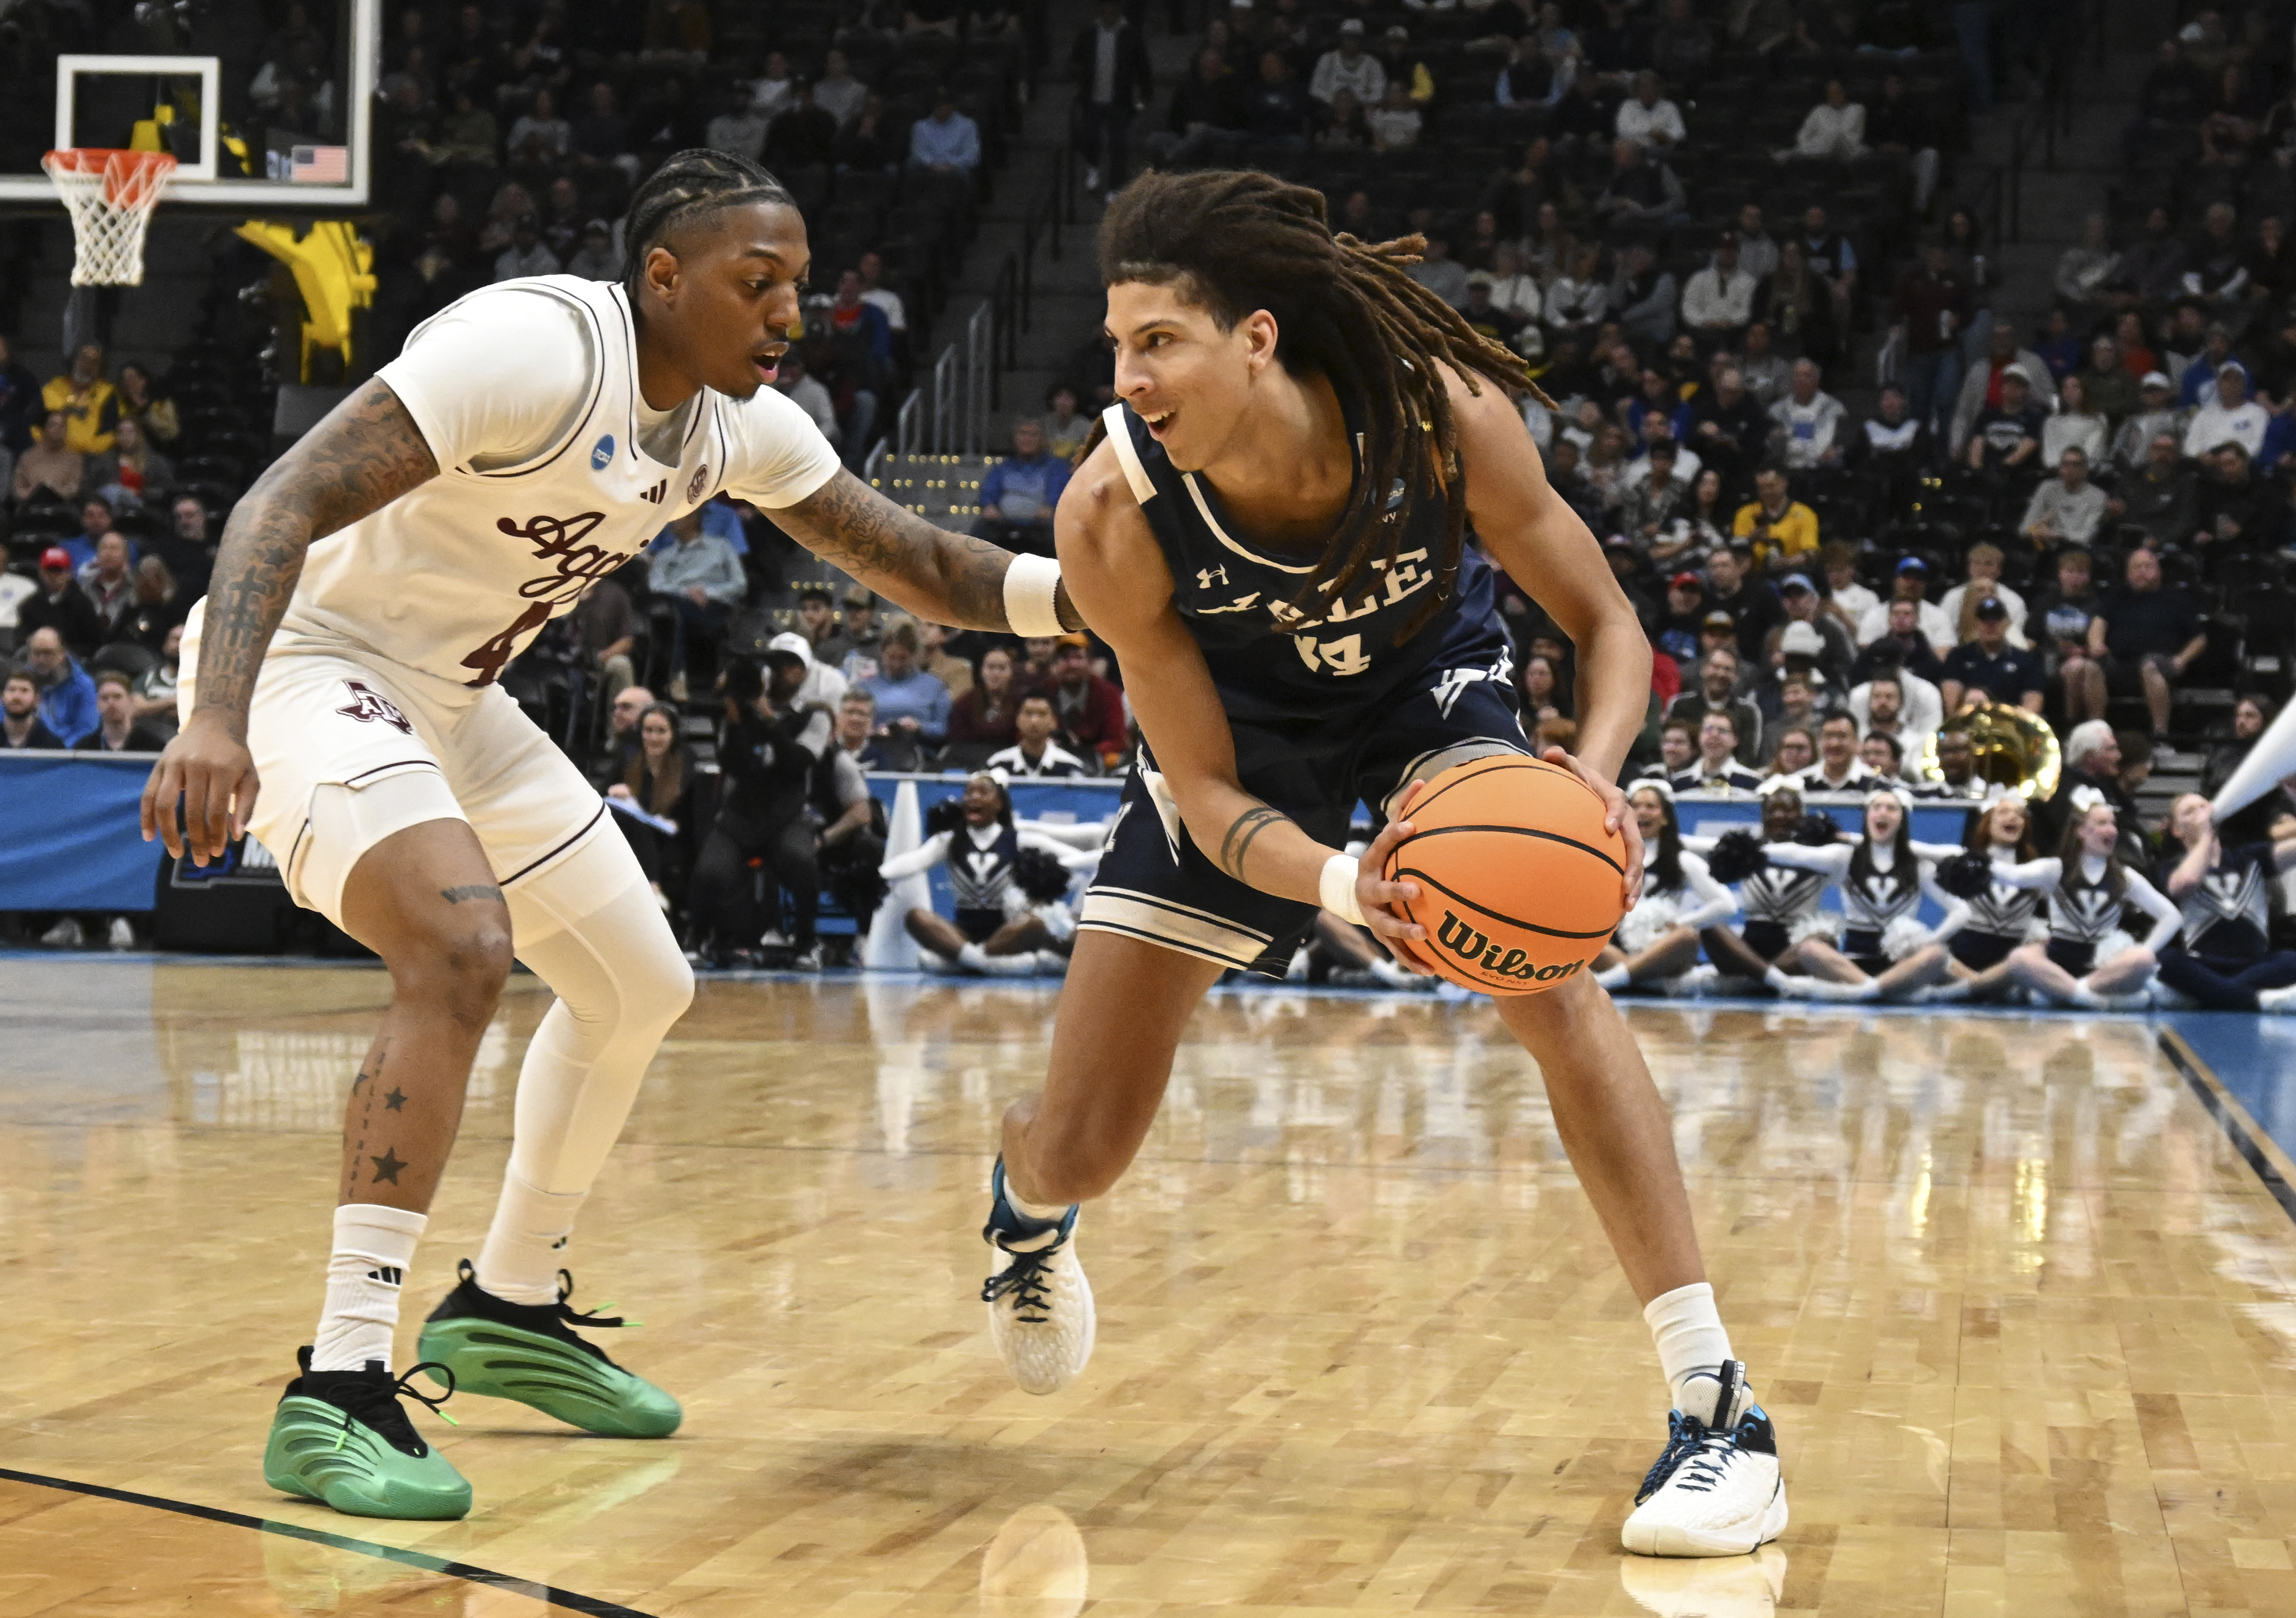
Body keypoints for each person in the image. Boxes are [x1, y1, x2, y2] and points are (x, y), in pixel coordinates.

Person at [135, 149, 1080, 1523]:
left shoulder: (731, 427)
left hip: (452, 695)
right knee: (461, 949)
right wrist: (213, 717)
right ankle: (338, 1380)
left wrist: (1098, 602)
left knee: (643, 980)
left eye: (798, 289)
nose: (786, 315)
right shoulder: (531, 348)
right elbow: (277, 500)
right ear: (659, 276)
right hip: (302, 664)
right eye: (755, 284)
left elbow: (920, 564)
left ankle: (511, 1298)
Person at [983, 169, 1787, 1558]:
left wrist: (1585, 787)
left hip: (1427, 694)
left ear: (1256, 335)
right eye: (1116, 343)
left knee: (1550, 980)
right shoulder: (1112, 513)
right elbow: (1209, 789)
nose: (1126, 374)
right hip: (1236, 751)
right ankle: (1024, 1205)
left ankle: (1718, 1406)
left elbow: (1603, 624)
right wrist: (1352, 885)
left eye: (1157, 339)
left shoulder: (1437, 410)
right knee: (1086, 1145)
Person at [1753, 786, 1967, 1001]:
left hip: (1901, 964)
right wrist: (1751, 850)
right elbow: (1798, 854)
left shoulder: (1919, 867)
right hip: (1853, 962)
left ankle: (1861, 992)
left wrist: (1929, 941)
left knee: (1937, 955)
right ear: (1867, 816)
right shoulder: (1845, 858)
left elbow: (1961, 911)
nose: (1883, 813)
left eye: (1891, 809)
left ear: (1902, 820)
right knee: (1809, 949)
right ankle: (1883, 990)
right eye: (1877, 808)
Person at [687, 654, 831, 967]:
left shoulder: (814, 714)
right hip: (742, 813)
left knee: (801, 862)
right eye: (774, 668)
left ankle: (807, 943)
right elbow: (733, 766)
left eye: (786, 668)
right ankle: (697, 940)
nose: (778, 675)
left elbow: (798, 764)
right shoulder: (739, 712)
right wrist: (738, 718)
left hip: (787, 814)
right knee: (710, 872)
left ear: (800, 674)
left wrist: (769, 722)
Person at [883, 771, 1081, 974]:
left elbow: (1066, 857)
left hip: (1006, 933)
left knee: (1034, 923)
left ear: (999, 803)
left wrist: (1103, 859)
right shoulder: (950, 841)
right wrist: (880, 874)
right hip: (961, 934)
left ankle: (963, 962)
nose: (974, 797)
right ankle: (985, 963)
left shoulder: (1017, 839)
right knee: (916, 917)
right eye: (969, 793)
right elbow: (915, 861)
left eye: (983, 792)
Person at [1995, 793, 2182, 1008]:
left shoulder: (2125, 877)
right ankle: (2095, 1000)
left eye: (2113, 824)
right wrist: (1960, 856)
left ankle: (2069, 993)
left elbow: (2172, 916)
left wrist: (2145, 949)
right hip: (2058, 963)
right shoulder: (2055, 869)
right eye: (2102, 823)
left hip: (2105, 968)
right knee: (2019, 959)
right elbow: (2013, 876)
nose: (2112, 830)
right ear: (2081, 831)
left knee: (2144, 960)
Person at [1589, 781, 1737, 992]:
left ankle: (1611, 981)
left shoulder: (1682, 859)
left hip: (1661, 945)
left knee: (1687, 938)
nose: (1642, 812)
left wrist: (1679, 922)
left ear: (1666, 817)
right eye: (1636, 806)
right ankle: (1647, 981)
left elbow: (1726, 904)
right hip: (1620, 949)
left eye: (1651, 806)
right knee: (1590, 945)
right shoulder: (1612, 855)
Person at [2153, 794, 2296, 1012]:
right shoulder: (2172, 866)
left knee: (2290, 959)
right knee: (2168, 960)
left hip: (2254, 964)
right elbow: (2187, 882)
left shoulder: (2250, 857)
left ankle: (2210, 995)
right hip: (2204, 965)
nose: (2200, 814)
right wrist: (2204, 838)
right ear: (2177, 830)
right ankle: (2260, 1000)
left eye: (2204, 807)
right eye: (2189, 812)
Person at [2086, 547, 2204, 736]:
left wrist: (2182, 659)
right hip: (2120, 663)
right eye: (2136, 567)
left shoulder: (2176, 600)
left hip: (2161, 663)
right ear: (2128, 573)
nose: (2142, 572)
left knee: (2149, 665)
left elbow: (2199, 639)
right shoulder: (2117, 598)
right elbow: (2098, 623)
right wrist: (2096, 643)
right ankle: (2096, 732)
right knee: (2091, 668)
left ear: (2159, 571)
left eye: (2148, 566)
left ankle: (2160, 734)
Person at [1071, 0, 1151, 195]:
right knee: (1089, 137)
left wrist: (1147, 95)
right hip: (1093, 98)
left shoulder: (1131, 35)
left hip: (1120, 101)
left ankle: (1115, 186)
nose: (1109, 13)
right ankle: (1093, 167)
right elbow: (1075, 58)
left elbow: (1143, 67)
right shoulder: (1089, 33)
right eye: (1105, 9)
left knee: (1118, 145)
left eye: (1112, 9)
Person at [977, 417, 1074, 554]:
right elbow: (989, 493)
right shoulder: (1003, 468)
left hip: (1040, 526)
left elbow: (1058, 494)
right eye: (1023, 434)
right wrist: (989, 506)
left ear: (1043, 439)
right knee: (979, 531)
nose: (1027, 439)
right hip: (1003, 524)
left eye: (1033, 435)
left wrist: (1051, 507)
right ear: (1015, 438)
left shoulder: (1056, 467)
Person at [856, 620, 951, 759]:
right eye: (891, 657)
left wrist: (920, 727)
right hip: (874, 754)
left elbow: (945, 729)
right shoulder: (865, 687)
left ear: (914, 655)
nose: (896, 664)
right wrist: (875, 731)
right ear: (882, 653)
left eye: (903, 658)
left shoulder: (934, 686)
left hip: (921, 756)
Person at [1940, 598, 2045, 714]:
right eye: (1984, 619)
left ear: (2006, 624)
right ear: (1976, 624)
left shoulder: (2025, 660)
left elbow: (2032, 701)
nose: (1990, 625)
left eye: (1996, 619)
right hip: (1969, 724)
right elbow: (1952, 705)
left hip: (2011, 725)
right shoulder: (1958, 657)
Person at [1041, 632, 1126, 769]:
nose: (1072, 664)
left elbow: (1117, 740)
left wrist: (1082, 751)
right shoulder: (1045, 691)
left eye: (1078, 657)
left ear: (1091, 662)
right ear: (1055, 664)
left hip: (1098, 763)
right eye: (1065, 658)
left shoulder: (1109, 693)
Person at [18, 546, 103, 660]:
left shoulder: (82, 604)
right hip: (37, 659)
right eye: (49, 570)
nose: (53, 576)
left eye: (58, 570)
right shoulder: (30, 605)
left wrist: (62, 654)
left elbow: (94, 643)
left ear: (69, 573)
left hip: (75, 660)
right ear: (41, 572)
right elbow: (22, 640)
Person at [18, 625, 98, 745]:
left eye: (48, 653)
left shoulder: (84, 685)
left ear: (62, 654)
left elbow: (87, 728)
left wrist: (59, 751)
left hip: (68, 754)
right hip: (26, 752)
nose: (41, 659)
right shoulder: (19, 684)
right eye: (36, 653)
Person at [1730, 464, 1818, 570]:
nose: (1766, 492)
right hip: (1753, 574)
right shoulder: (1746, 514)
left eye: (1771, 486)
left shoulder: (1804, 514)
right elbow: (1735, 553)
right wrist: (1750, 540)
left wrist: (1787, 562)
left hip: (1791, 571)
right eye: (1762, 488)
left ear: (1784, 483)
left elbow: (1810, 553)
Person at [989, 692, 1092, 778]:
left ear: (1054, 722)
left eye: (1042, 714)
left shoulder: (1071, 767)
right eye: (1028, 713)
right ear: (1018, 720)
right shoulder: (998, 764)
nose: (1034, 721)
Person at [946, 642, 1023, 756]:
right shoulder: (966, 702)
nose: (996, 674)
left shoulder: (1020, 703)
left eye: (1002, 668)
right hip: (970, 758)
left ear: (1012, 673)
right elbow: (957, 739)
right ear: (982, 671)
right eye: (991, 668)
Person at [73, 667, 167, 753]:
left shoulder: (154, 747)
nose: (111, 703)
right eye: (105, 698)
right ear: (97, 704)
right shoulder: (84, 749)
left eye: (117, 697)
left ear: (131, 701)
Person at [1671, 709, 1764, 792]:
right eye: (1708, 729)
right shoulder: (1678, 783)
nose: (1714, 735)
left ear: (1735, 740)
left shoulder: (1753, 783)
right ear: (1699, 737)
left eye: (1722, 731)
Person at [13, 412, 84, 505]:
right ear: (44, 428)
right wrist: (35, 495)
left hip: (61, 508)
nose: (57, 430)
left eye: (62, 426)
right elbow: (18, 488)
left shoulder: (74, 459)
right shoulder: (28, 457)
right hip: (30, 507)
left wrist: (51, 493)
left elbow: (74, 487)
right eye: (53, 425)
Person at [1, 669, 64, 749]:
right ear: (2, 698)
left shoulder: (52, 746)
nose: (16, 696)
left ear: (37, 700)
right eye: (12, 690)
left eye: (24, 690)